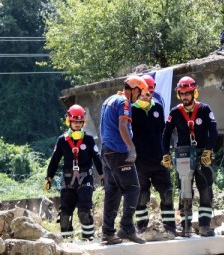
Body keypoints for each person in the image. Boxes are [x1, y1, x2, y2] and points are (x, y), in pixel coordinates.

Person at [161, 76, 217, 236]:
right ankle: (185, 227)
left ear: (194, 93)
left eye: (188, 93)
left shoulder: (205, 109)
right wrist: (165, 154)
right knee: (185, 191)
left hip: (202, 154)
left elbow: (213, 131)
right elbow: (165, 134)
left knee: (205, 190)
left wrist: (208, 149)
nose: (185, 96)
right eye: (182, 93)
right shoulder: (175, 112)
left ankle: (205, 226)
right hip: (183, 154)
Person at [99, 75, 148, 244]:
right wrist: (132, 148)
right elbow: (122, 126)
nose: (139, 97)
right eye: (139, 93)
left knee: (113, 192)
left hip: (106, 152)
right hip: (118, 151)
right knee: (133, 188)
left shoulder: (109, 100)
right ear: (133, 89)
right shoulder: (124, 102)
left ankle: (107, 233)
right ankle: (127, 228)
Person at [45, 105, 103, 240]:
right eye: (74, 121)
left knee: (83, 210)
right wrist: (49, 177)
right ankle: (67, 242)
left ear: (83, 122)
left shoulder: (88, 139)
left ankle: (89, 238)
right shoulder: (62, 140)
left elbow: (96, 158)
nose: (77, 124)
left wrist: (102, 174)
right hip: (67, 178)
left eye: (79, 122)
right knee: (65, 214)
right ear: (69, 122)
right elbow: (54, 160)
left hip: (85, 177)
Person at [131, 74, 175, 234]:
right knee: (141, 196)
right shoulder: (132, 109)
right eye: (143, 91)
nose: (146, 94)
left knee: (167, 194)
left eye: (149, 90)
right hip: (140, 160)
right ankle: (141, 229)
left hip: (159, 159)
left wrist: (167, 153)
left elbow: (163, 132)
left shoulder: (158, 107)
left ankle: (170, 228)